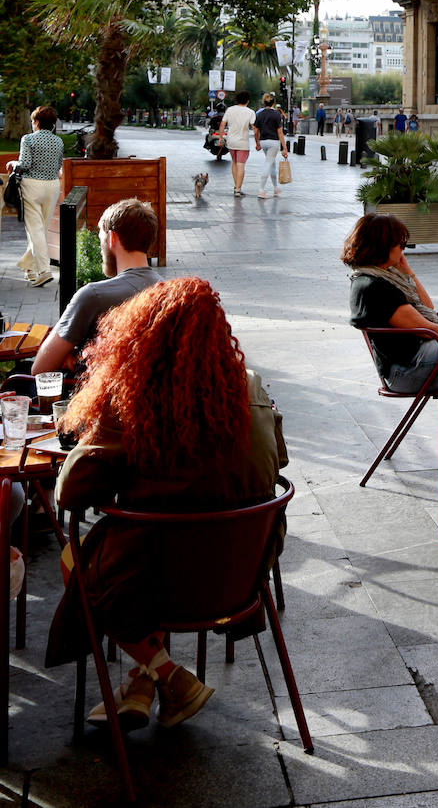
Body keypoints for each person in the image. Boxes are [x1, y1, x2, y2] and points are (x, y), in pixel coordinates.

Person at [46, 277, 287, 732]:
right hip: (242, 574)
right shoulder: (253, 390)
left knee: (75, 559)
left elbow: (68, 493)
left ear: (143, 335)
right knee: (148, 545)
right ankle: (143, 682)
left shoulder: (135, 402)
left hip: (156, 581)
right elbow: (279, 462)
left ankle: (165, 672)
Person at [33, 199, 163, 375]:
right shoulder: (167, 291)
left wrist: (72, 350)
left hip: (101, 397)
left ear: (111, 238)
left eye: (100, 237)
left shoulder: (94, 297)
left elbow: (40, 368)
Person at [342, 213, 438, 394]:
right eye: (401, 245)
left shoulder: (378, 277)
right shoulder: (375, 287)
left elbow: (428, 307)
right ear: (383, 247)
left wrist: (408, 272)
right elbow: (427, 329)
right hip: (407, 371)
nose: (403, 250)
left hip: (408, 364)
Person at [4, 105, 64, 288]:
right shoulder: (59, 142)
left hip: (32, 186)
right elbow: (59, 167)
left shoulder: (28, 139)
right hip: (52, 186)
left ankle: (44, 270)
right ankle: (29, 269)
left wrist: (13, 163)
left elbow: (25, 164)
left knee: (35, 230)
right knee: (41, 229)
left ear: (36, 123)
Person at [219, 90, 256, 197]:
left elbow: (222, 124)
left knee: (234, 163)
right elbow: (254, 128)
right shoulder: (250, 112)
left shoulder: (230, 110)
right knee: (241, 165)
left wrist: (221, 137)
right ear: (247, 101)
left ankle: (237, 187)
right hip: (243, 143)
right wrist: (258, 141)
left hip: (231, 141)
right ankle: (238, 189)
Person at [252, 93, 289, 198]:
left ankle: (276, 188)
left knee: (272, 164)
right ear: (274, 103)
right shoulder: (276, 115)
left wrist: (257, 143)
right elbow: (280, 133)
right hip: (273, 142)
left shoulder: (259, 114)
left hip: (263, 141)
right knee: (268, 163)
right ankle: (261, 189)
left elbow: (255, 131)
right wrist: (284, 147)